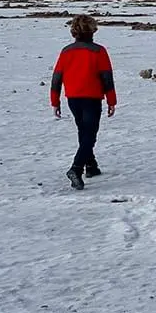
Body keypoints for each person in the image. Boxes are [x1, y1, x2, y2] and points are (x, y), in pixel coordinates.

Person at [50, 14, 117, 190]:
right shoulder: (99, 51)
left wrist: (55, 101)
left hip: (73, 98)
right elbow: (107, 78)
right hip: (92, 98)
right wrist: (112, 100)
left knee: (84, 131)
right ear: (92, 30)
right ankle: (76, 168)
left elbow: (56, 78)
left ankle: (91, 166)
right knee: (89, 135)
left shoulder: (66, 51)